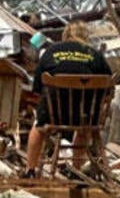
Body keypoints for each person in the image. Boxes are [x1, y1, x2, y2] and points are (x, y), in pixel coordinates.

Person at [23, 22, 113, 178]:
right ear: (86, 36)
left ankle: (30, 169)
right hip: (84, 115)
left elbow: (37, 90)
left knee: (38, 127)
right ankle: (76, 169)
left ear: (65, 36)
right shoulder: (96, 55)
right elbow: (108, 93)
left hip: (53, 114)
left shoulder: (51, 52)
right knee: (84, 128)